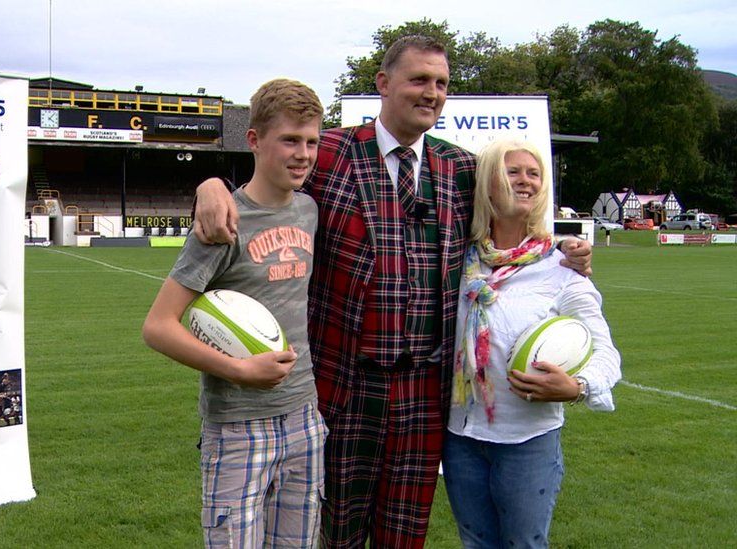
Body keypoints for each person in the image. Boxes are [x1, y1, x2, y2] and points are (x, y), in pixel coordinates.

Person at [194, 36, 593, 548]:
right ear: (384, 84)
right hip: (344, 387)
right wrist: (209, 186)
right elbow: (261, 190)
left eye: (442, 83)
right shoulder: (332, 152)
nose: (432, 93)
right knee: (334, 531)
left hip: (425, 390)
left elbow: (514, 218)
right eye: (419, 80)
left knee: (404, 535)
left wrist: (562, 243)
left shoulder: (462, 168)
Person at [143, 78, 327, 548]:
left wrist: (209, 182)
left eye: (311, 141)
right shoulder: (221, 224)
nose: (303, 153)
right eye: (289, 139)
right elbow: (158, 326)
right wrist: (239, 370)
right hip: (238, 424)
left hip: (305, 416)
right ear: (254, 139)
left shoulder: (309, 208)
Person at [443, 139, 621, 548]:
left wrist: (578, 388)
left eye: (534, 173)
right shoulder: (458, 260)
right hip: (462, 438)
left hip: (528, 442)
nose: (525, 181)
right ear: (487, 184)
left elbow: (606, 351)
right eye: (512, 171)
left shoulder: (560, 270)